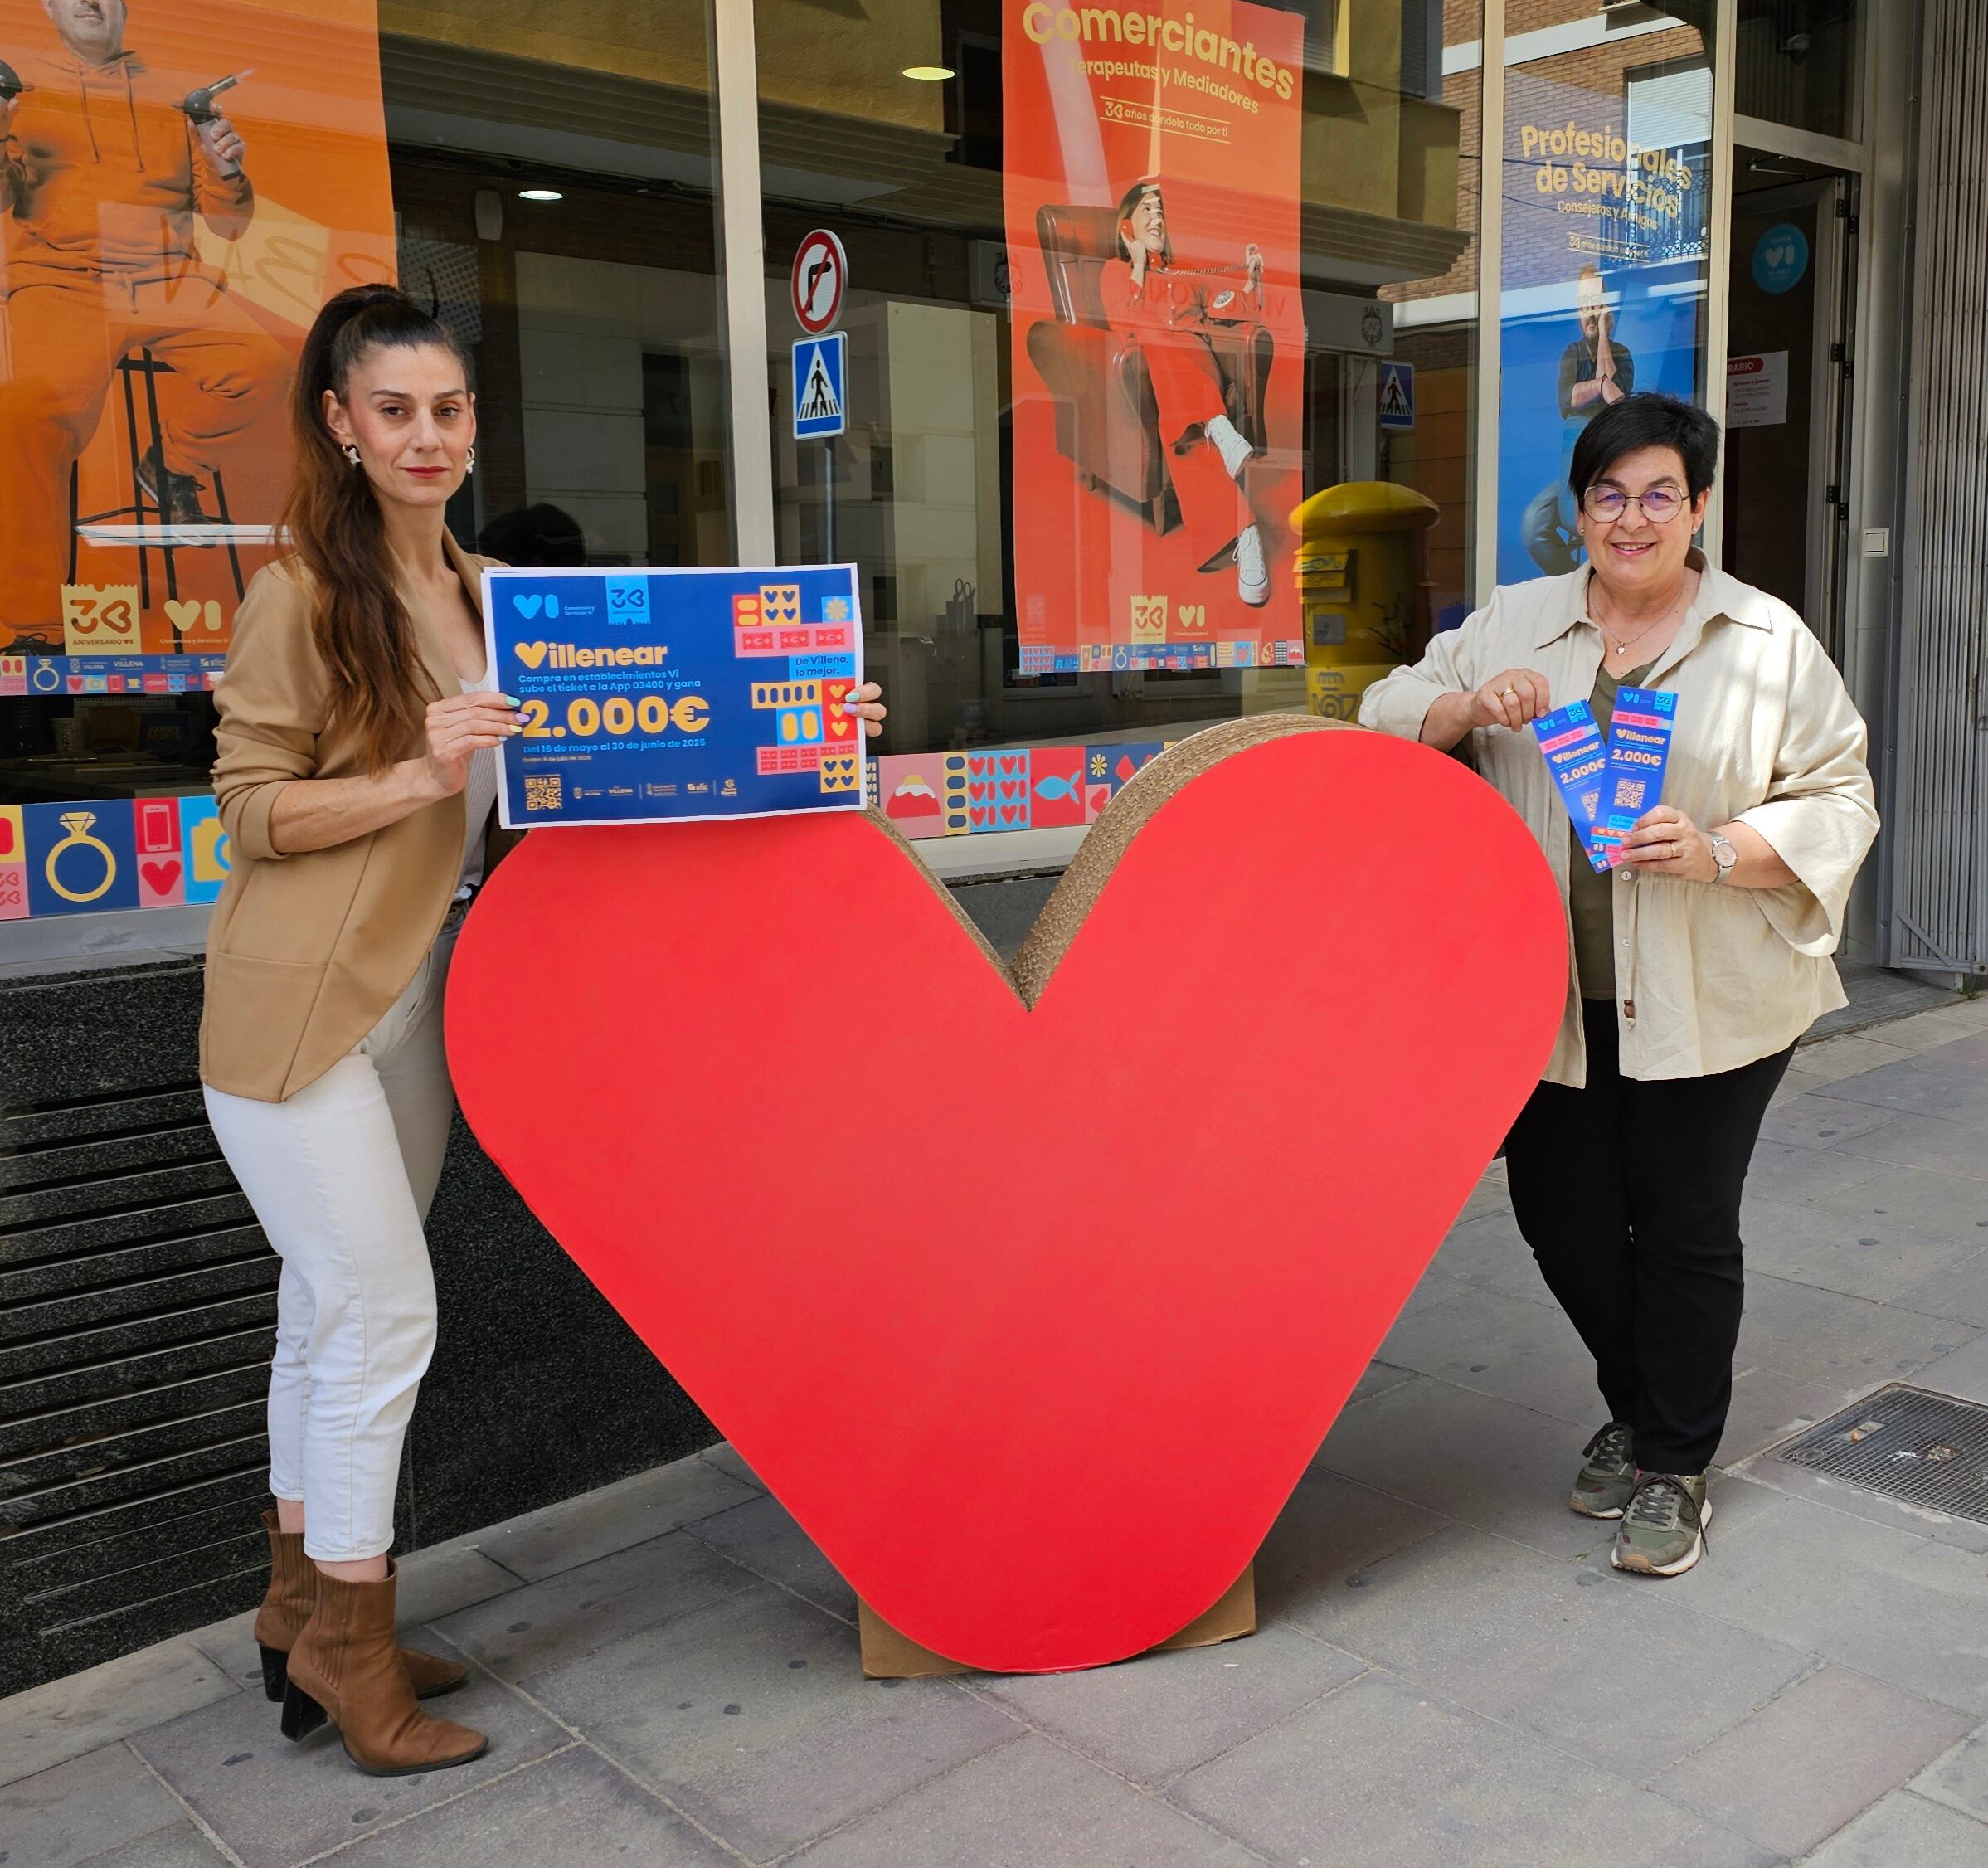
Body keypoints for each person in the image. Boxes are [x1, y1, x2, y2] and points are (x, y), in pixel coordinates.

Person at [201, 283, 884, 1774]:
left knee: (324, 1315)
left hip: (416, 1011)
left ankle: (297, 1613)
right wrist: (413, 771)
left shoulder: (506, 597)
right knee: (382, 1315)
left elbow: (643, 749)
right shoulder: (300, 596)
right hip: (297, 1018)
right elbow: (247, 809)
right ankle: (354, 1653)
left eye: (447, 408)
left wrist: (809, 722)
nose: (426, 436)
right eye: (394, 409)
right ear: (340, 423)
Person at [1359, 392, 1876, 1579]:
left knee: (1684, 1225)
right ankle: (1640, 1408)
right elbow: (1383, 707)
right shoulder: (1517, 618)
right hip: (1543, 998)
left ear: (1699, 508)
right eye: (1608, 494)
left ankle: (1674, 1463)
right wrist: (1462, 706)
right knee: (1565, 1221)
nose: (1631, 519)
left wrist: (1722, 849)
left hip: (1709, 991)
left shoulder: (1765, 639)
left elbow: (1840, 795)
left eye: (1658, 495)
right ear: (1579, 509)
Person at [0, 0, 291, 646]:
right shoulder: (19, 93)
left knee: (268, 366)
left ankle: (171, 466)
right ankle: (35, 625)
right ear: (49, 8)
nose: (89, 2)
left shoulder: (174, 97)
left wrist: (226, 170)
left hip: (167, 279)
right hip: (59, 280)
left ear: (124, 6)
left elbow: (230, 225)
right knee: (24, 420)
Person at [1100, 178, 1268, 607]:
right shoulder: (1115, 272)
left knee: (1166, 340)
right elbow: (1122, 322)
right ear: (1126, 226)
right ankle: (1246, 531)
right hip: (1162, 387)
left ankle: (1216, 426)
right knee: (1180, 429)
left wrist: (1251, 283)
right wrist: (1138, 266)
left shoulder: (1186, 273)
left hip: (1201, 369)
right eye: (1147, 210)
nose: (1157, 217)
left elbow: (1230, 310)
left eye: (1160, 211)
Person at [1523, 265, 1636, 576]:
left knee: (1591, 518)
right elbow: (1568, 400)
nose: (1589, 312)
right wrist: (1600, 386)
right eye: (1584, 304)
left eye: (1595, 304)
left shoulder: (1621, 353)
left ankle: (1602, 580)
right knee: (1534, 523)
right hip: (1572, 463)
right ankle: (1568, 579)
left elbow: (1617, 399)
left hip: (1607, 464)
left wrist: (1603, 338)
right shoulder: (1571, 353)